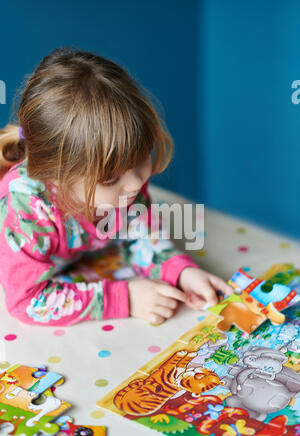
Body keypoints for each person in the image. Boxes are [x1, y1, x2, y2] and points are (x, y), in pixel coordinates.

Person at [0, 47, 233, 327]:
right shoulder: (25, 207)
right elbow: (27, 301)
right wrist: (126, 298)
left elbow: (139, 236)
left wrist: (180, 272)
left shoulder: (126, 182)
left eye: (141, 157)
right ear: (57, 176)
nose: (136, 182)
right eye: (110, 179)